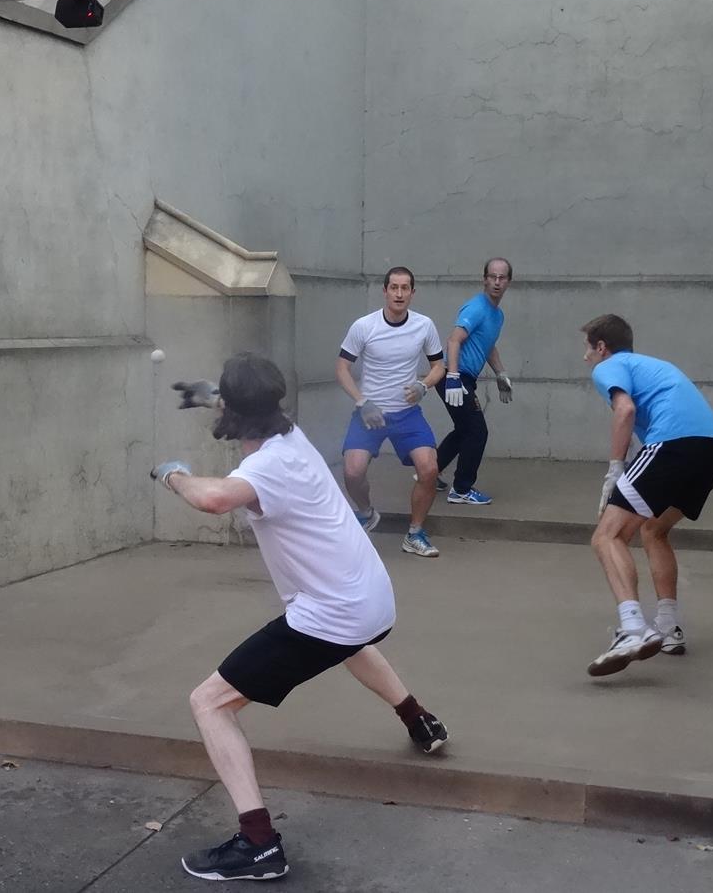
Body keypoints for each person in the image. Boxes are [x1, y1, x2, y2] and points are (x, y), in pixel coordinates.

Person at [158, 354, 449, 882]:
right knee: (348, 642)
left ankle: (259, 844)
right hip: (372, 598)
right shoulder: (290, 435)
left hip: (333, 610)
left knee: (210, 703)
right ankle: (417, 717)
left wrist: (173, 475)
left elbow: (216, 498)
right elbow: (253, 410)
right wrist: (213, 395)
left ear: (238, 417)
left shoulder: (266, 465)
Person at [581, 314, 713, 678]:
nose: (585, 356)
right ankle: (667, 626)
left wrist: (615, 470)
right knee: (653, 530)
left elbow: (625, 410)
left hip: (673, 444)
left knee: (607, 536)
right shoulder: (652, 365)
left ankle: (632, 628)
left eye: (588, 348)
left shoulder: (609, 366)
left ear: (601, 346)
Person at [336, 266, 447, 557]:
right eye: (394, 287)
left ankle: (414, 534)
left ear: (412, 292)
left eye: (405, 288)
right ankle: (365, 512)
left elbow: (439, 366)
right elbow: (342, 368)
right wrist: (362, 401)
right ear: (384, 291)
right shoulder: (364, 326)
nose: (399, 293)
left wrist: (424, 386)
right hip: (368, 413)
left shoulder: (424, 325)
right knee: (352, 471)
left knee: (430, 469)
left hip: (407, 414)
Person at [437, 258, 515, 505]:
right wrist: (453, 377)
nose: (497, 282)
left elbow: (488, 346)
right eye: (492, 276)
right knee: (477, 431)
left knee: (464, 430)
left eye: (502, 278)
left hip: (463, 378)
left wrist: (501, 374)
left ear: (508, 282)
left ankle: (429, 472)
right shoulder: (477, 308)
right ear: (484, 279)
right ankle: (461, 489)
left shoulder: (497, 315)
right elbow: (453, 340)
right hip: (454, 377)